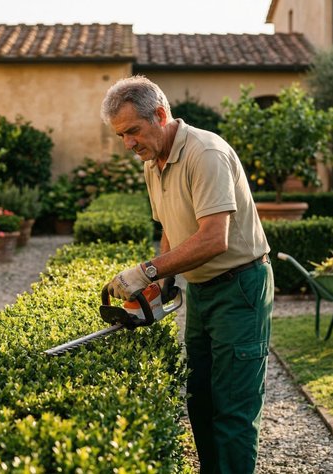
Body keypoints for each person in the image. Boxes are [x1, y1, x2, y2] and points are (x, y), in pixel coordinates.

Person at [100, 75, 273, 474]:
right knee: (201, 400)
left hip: (239, 287)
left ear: (160, 115)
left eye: (132, 131)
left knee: (233, 407)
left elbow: (214, 239)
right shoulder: (153, 163)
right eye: (121, 135)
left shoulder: (205, 153)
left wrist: (146, 271)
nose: (128, 143)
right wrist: (160, 286)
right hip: (200, 290)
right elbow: (170, 230)